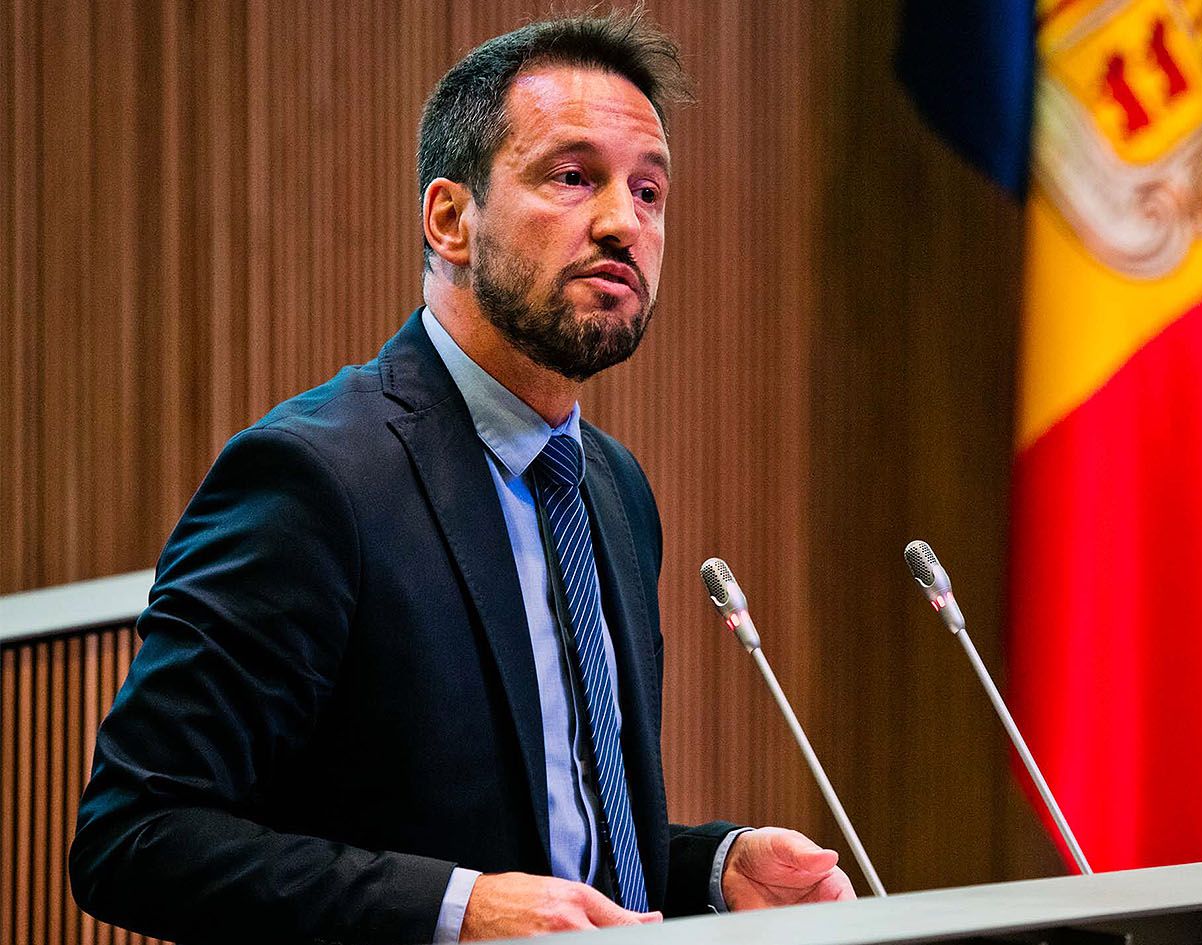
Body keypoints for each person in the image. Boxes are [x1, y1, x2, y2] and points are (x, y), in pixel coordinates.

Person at [68, 11, 853, 944]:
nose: (623, 223)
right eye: (573, 177)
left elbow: (554, 841)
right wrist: (456, 910)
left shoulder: (611, 488)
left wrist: (715, 867)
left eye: (649, 190)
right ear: (450, 219)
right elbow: (135, 833)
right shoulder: (316, 478)